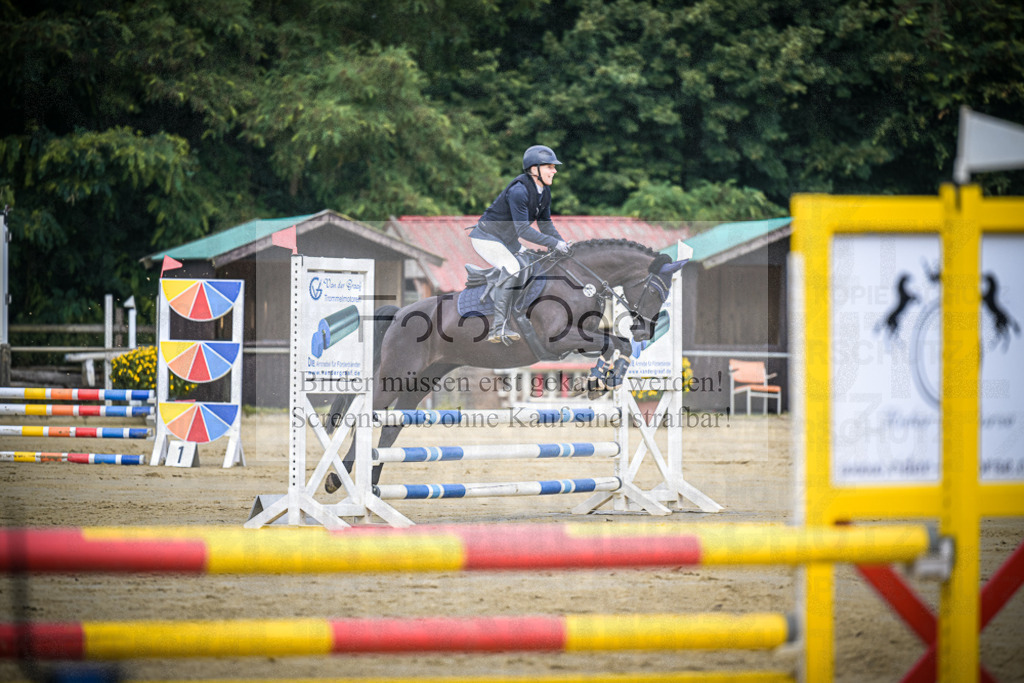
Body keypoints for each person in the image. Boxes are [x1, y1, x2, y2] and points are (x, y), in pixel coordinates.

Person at [470, 144, 570, 344]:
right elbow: (523, 230)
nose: (555, 170)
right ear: (535, 170)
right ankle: (498, 328)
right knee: (514, 268)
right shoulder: (519, 191)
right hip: (486, 237)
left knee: (534, 264)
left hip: (506, 241)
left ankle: (520, 315)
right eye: (550, 166)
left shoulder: (544, 192)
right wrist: (553, 243)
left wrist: (561, 244)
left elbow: (546, 224)